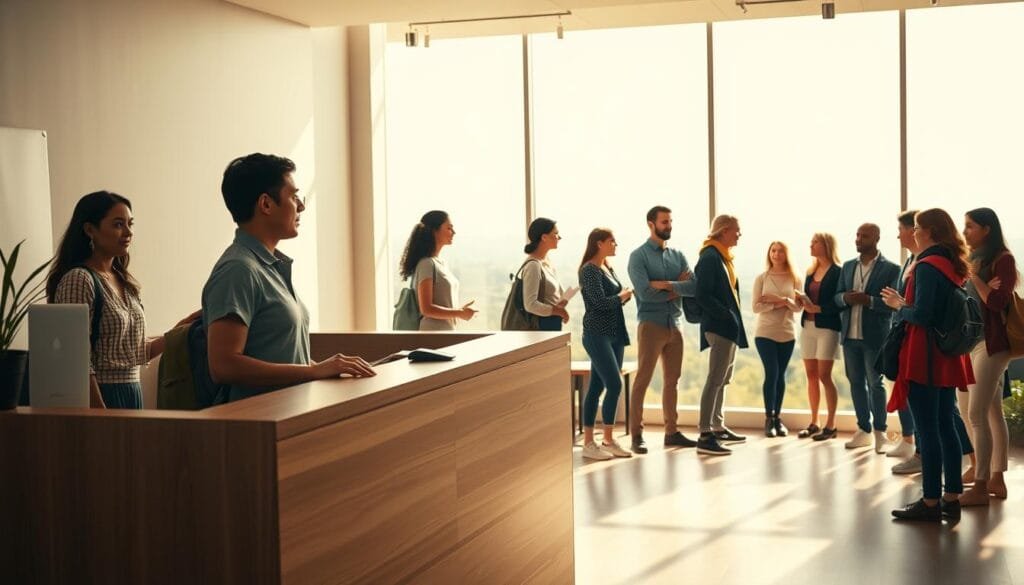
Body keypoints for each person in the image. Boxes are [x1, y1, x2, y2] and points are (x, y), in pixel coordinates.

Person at [203, 153, 375, 402]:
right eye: (294, 196)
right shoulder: (238, 270)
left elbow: (280, 354)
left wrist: (325, 369)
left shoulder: (268, 266)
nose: (301, 205)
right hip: (258, 427)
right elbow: (223, 365)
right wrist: (314, 371)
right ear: (266, 204)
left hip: (288, 418)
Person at [47, 191, 199, 409]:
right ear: (90, 230)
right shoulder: (79, 279)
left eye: (130, 224)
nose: (128, 232)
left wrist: (183, 328)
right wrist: (101, 414)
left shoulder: (125, 283)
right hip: (100, 395)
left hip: (131, 392)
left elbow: (136, 353)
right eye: (118, 224)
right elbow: (76, 359)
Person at [883, 208, 974, 521]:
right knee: (946, 426)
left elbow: (921, 315)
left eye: (918, 228)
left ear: (930, 231)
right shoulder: (951, 263)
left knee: (927, 430)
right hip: (947, 356)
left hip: (924, 356)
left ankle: (931, 501)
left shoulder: (925, 266)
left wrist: (899, 305)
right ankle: (951, 497)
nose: (913, 232)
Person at [626, 205, 699, 454]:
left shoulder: (678, 255)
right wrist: (677, 287)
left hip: (675, 326)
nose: (669, 226)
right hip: (651, 326)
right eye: (664, 222)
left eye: (670, 221)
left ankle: (672, 432)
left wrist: (667, 285)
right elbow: (645, 294)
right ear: (651, 224)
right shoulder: (638, 256)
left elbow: (694, 287)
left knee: (672, 381)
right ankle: (636, 435)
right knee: (643, 381)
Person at [959, 207, 1016, 506]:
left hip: (991, 344)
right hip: (967, 344)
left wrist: (977, 280)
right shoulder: (971, 260)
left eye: (970, 226)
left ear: (986, 229)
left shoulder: (1002, 260)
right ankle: (995, 477)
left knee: (976, 414)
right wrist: (974, 278)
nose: (965, 231)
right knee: (987, 412)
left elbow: (996, 302)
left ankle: (981, 486)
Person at [834, 224, 900, 453]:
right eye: (857, 234)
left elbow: (893, 305)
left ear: (877, 238)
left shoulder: (892, 269)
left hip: (875, 337)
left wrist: (868, 300)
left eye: (864, 235)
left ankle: (881, 432)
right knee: (855, 383)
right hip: (849, 336)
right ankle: (864, 430)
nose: (858, 239)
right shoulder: (848, 266)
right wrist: (845, 298)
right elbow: (836, 297)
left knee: (876, 384)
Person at [694, 215, 749, 456]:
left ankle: (717, 425)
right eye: (736, 230)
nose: (739, 234)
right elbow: (703, 295)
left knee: (723, 379)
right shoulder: (709, 258)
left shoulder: (723, 257)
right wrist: (725, 314)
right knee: (714, 379)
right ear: (724, 231)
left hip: (728, 327)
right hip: (719, 326)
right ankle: (705, 434)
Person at [579, 228, 634, 460]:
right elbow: (600, 303)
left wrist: (623, 297)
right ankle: (601, 441)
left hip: (614, 333)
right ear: (599, 243)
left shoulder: (607, 267)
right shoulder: (589, 270)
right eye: (612, 241)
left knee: (597, 387)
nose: (615, 244)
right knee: (614, 384)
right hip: (597, 334)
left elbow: (610, 301)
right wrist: (622, 296)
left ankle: (600, 441)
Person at [752, 241, 802, 438]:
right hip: (765, 332)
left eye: (780, 251)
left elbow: (799, 308)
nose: (776, 254)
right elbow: (756, 307)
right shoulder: (761, 278)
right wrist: (775, 305)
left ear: (786, 254)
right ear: (769, 253)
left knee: (781, 375)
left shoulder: (795, 278)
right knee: (771, 372)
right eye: (773, 250)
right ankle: (768, 418)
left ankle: (777, 418)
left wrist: (778, 300)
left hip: (787, 333)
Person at [796, 233, 843, 441]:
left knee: (825, 375)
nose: (810, 244)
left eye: (814, 242)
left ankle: (831, 424)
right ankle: (814, 422)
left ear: (825, 245)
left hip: (827, 328)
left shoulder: (838, 272)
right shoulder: (810, 271)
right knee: (811, 376)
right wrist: (801, 303)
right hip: (808, 326)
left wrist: (820, 308)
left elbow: (840, 302)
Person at [399, 210, 478, 331]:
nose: (453, 232)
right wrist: (459, 313)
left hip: (444, 333)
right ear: (434, 231)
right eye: (449, 228)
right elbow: (426, 309)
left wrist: (459, 311)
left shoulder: (440, 263)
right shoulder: (426, 264)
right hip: (432, 335)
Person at [521, 218, 569, 331]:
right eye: (556, 234)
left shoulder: (546, 262)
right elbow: (530, 304)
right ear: (544, 237)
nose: (559, 237)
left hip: (552, 324)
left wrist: (562, 300)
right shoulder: (533, 265)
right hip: (541, 327)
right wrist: (558, 311)